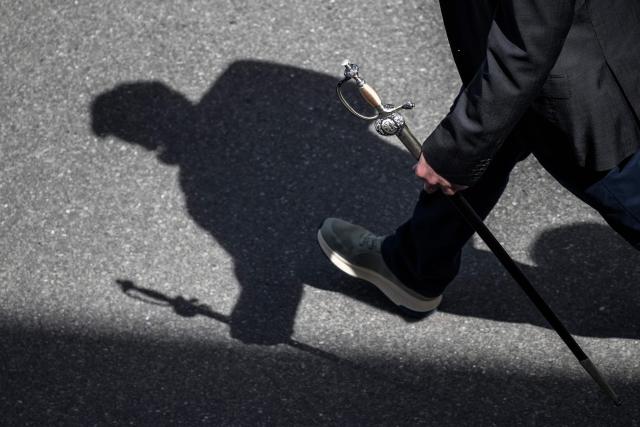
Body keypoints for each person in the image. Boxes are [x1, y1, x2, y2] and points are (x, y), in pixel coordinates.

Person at [317, 0, 640, 314]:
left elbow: (526, 49)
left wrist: (459, 147)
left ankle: (414, 264)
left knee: (626, 189)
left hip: (575, 83)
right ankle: (413, 264)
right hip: (572, 49)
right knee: (489, 130)